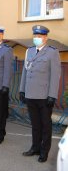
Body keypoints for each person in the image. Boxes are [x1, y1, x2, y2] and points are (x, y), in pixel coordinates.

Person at [20, 25, 61, 163]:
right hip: (30, 94)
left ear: (45, 37)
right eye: (35, 36)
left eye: (40, 36)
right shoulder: (29, 51)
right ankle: (35, 147)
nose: (37, 38)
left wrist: (52, 95)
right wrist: (22, 90)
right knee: (35, 124)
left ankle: (44, 152)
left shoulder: (52, 52)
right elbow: (25, 71)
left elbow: (55, 75)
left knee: (45, 125)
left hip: (44, 96)